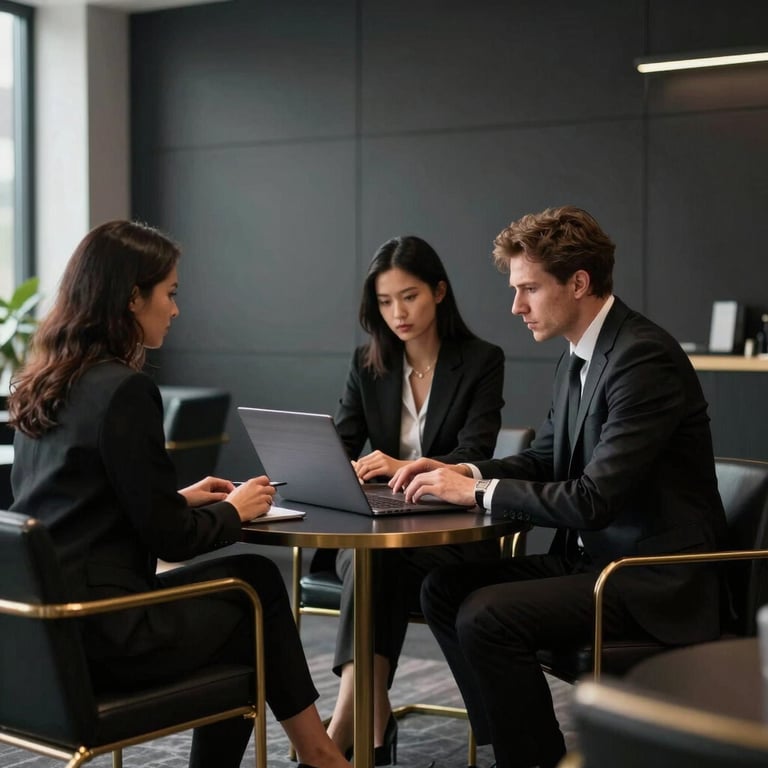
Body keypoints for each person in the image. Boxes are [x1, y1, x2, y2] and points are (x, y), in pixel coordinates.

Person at [390, 206, 728, 768]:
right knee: (444, 591)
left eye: (528, 289)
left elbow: (594, 499)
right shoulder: (579, 354)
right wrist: (462, 473)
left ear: (578, 282)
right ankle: (519, 749)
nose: (516, 306)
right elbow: (549, 459)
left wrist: (473, 495)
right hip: (595, 562)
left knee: (485, 615)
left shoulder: (642, 357)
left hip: (651, 580)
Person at [8, 220, 350, 768]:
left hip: (46, 638)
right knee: (254, 587)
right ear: (130, 297)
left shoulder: (45, 383)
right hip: (110, 631)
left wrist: (183, 497)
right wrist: (231, 511)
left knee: (248, 598)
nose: (175, 309)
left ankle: (319, 751)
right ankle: (320, 753)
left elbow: (75, 504)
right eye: (169, 293)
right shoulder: (125, 390)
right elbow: (171, 540)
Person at [325, 235, 505, 763]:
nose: (397, 313)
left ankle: (343, 734)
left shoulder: (480, 361)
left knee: (372, 566)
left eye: (409, 297)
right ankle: (370, 727)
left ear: (440, 292)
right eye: (384, 301)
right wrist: (341, 467)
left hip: (451, 533)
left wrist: (402, 466)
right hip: (380, 529)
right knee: (371, 560)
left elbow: (476, 454)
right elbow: (340, 442)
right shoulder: (368, 363)